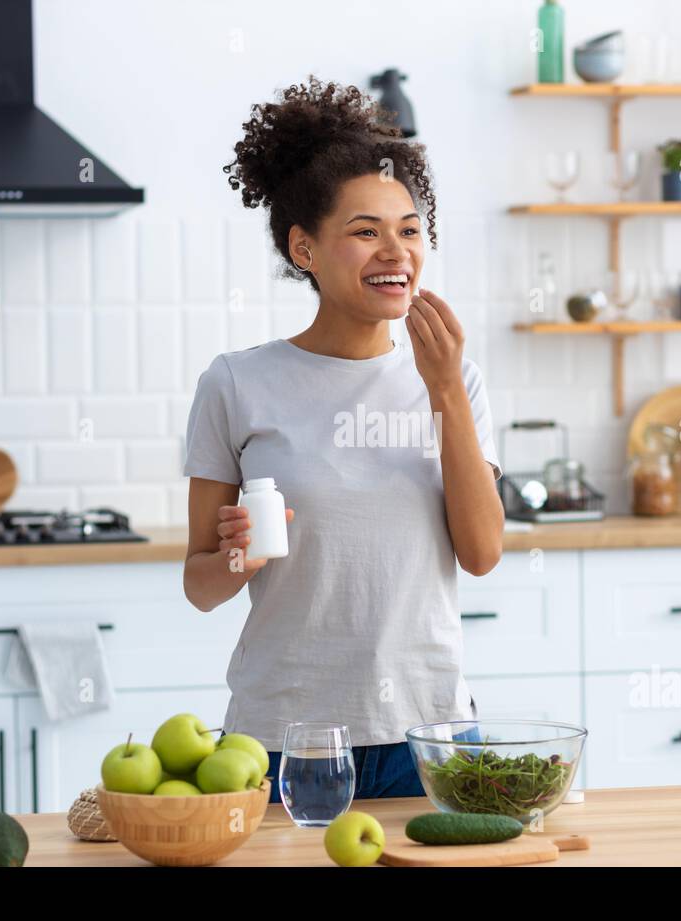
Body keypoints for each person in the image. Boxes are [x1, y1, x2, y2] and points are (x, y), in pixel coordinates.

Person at [182, 77, 504, 802]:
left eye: (410, 229)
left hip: (432, 733)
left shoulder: (456, 379)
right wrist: (238, 556)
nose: (396, 250)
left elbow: (482, 554)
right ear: (305, 249)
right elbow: (200, 586)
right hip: (285, 740)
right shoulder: (237, 385)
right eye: (366, 231)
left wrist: (444, 388)